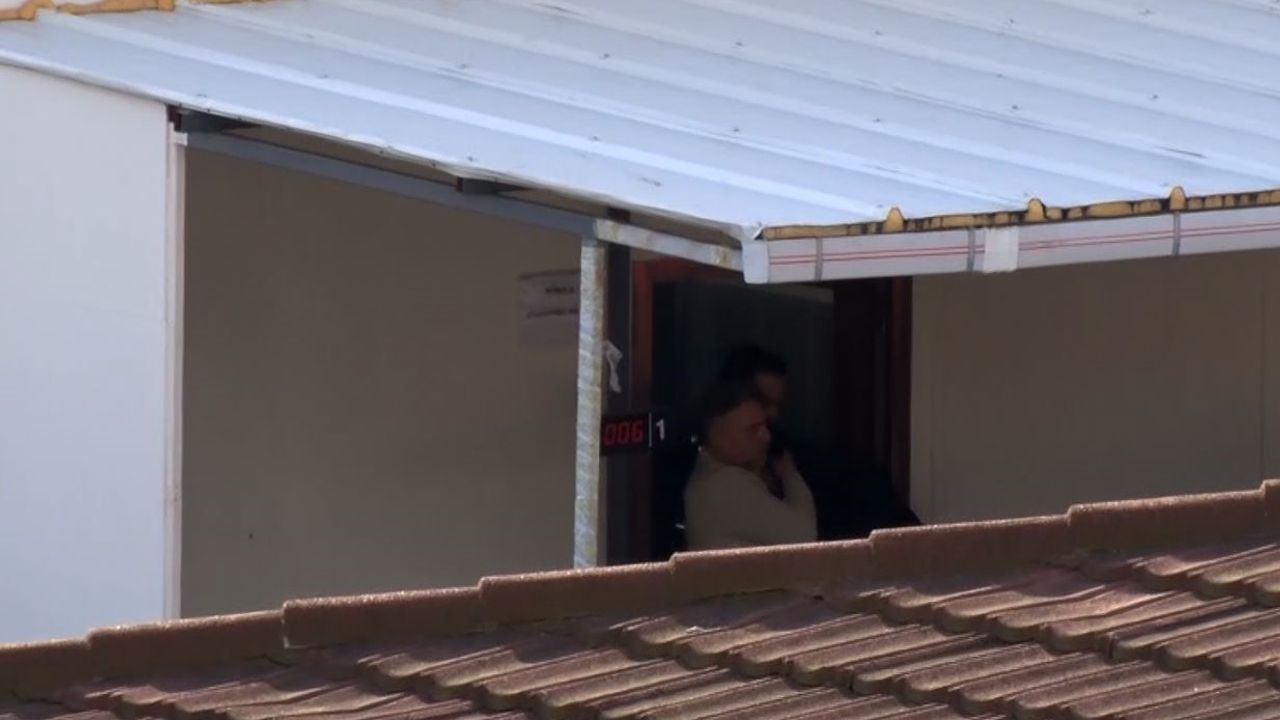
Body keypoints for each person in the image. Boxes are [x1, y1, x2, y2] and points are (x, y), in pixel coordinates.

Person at [683, 380, 817, 550]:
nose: (766, 437)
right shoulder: (723, 486)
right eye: (752, 429)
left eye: (764, 426)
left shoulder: (708, 477)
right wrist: (789, 473)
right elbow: (805, 537)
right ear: (715, 435)